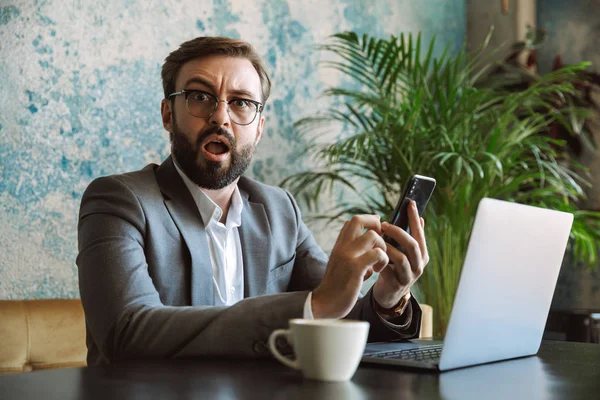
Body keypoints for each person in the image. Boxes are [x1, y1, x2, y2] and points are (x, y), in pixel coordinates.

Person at [77, 36, 429, 366]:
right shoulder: (119, 200)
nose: (220, 117)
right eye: (200, 97)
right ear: (169, 114)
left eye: (241, 102)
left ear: (259, 127)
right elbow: (126, 331)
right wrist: (319, 303)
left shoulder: (279, 209)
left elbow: (337, 309)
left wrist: (389, 295)